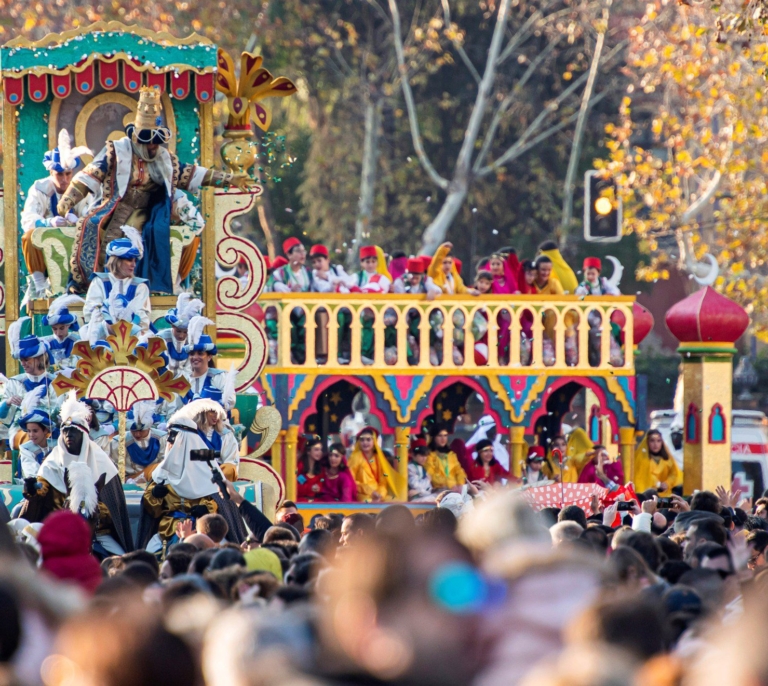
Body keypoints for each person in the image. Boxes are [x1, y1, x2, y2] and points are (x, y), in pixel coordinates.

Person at [61, 85, 253, 293]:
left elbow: (193, 174)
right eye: (149, 142)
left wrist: (229, 179)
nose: (153, 147)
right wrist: (68, 200)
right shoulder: (117, 151)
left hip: (147, 211)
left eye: (156, 142)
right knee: (92, 225)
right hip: (114, 206)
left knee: (134, 234)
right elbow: (90, 175)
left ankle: (136, 287)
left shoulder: (164, 159)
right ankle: (88, 285)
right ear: (136, 138)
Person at [19, 392, 134, 557]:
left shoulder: (103, 465)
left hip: (98, 534)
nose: (68, 435)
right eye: (65, 431)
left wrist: (91, 508)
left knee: (121, 561)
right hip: (58, 529)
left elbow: (113, 509)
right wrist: (33, 488)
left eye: (73, 431)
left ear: (85, 435)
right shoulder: (52, 462)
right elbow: (41, 490)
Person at [138, 403, 245, 553]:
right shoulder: (161, 473)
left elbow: (220, 503)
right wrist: (155, 497)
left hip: (203, 530)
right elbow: (152, 511)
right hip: (167, 531)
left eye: (173, 438)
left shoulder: (209, 470)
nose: (169, 443)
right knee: (147, 556)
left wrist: (206, 510)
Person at [20, 130, 92, 297]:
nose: (65, 179)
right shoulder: (39, 188)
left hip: (76, 239)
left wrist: (78, 220)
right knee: (29, 237)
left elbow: (92, 214)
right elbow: (27, 219)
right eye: (59, 174)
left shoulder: (83, 189)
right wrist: (48, 223)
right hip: (48, 241)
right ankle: (39, 286)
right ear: (51, 173)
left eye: (68, 174)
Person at [82, 229, 151, 339]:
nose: (133, 265)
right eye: (129, 260)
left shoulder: (140, 286)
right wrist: (109, 327)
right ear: (116, 261)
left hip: (133, 340)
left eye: (134, 261)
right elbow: (91, 312)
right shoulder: (99, 281)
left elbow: (142, 319)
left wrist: (127, 330)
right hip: (102, 340)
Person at [1, 319, 59, 448]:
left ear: (39, 358)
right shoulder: (14, 383)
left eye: (26, 359)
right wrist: (8, 402)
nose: (23, 363)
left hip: (51, 429)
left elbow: (61, 413)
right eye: (21, 360)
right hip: (22, 432)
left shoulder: (55, 382)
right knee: (29, 439)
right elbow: (2, 415)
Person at [110, 400, 166, 482]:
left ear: (149, 427)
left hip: (155, 480)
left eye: (141, 431)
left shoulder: (162, 438)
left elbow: (165, 464)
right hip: (128, 480)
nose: (137, 435)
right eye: (134, 431)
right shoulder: (118, 441)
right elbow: (114, 467)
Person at [347, 427, 405, 503]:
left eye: (368, 440)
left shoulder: (379, 458)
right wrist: (370, 492)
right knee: (368, 501)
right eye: (362, 440)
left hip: (378, 494)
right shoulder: (355, 457)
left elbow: (383, 482)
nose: (365, 443)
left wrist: (380, 495)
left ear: (374, 441)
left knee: (398, 502)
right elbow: (350, 480)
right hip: (361, 494)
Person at [160, 293, 205, 375]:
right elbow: (160, 363)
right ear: (173, 326)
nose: (181, 335)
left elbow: (189, 367)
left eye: (185, 332)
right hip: (162, 379)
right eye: (178, 331)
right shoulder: (162, 338)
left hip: (183, 381)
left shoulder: (192, 340)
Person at [16, 387, 53, 479]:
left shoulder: (56, 445)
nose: (31, 435)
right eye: (28, 431)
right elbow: (32, 474)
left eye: (35, 431)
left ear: (45, 430)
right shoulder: (26, 449)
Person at [634, 429, 682, 497]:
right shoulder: (642, 459)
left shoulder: (667, 459)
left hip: (666, 495)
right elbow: (641, 477)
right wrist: (658, 484)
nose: (655, 444)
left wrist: (667, 483)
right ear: (647, 442)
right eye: (652, 441)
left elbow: (674, 474)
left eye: (658, 441)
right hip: (646, 495)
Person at [41, 294, 83, 370]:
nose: (58, 333)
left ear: (68, 325)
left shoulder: (77, 341)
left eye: (61, 328)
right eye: (55, 329)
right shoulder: (45, 343)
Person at [425, 424, 467, 492]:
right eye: (440, 436)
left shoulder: (451, 455)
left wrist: (460, 484)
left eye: (445, 435)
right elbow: (431, 476)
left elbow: (459, 471)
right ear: (433, 437)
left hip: (455, 489)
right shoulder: (429, 455)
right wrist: (450, 484)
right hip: (438, 490)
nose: (443, 439)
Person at [297, 435, 325, 501]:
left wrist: (319, 488)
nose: (319, 452)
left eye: (321, 450)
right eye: (316, 450)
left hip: (316, 502)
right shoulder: (300, 467)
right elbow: (295, 487)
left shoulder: (321, 468)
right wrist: (310, 488)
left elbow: (322, 484)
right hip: (301, 502)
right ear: (308, 451)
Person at [408, 437, 436, 502]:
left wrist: (418, 491)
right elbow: (415, 485)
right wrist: (427, 480)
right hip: (415, 500)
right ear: (413, 454)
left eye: (425, 456)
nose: (424, 458)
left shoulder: (423, 468)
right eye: (422, 456)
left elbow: (429, 489)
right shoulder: (410, 468)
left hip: (424, 496)